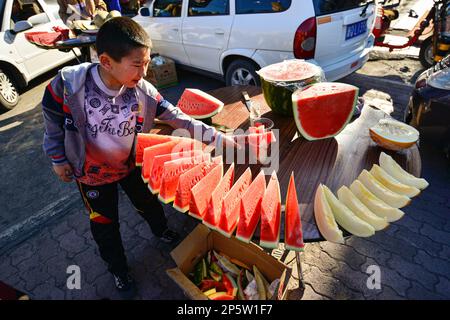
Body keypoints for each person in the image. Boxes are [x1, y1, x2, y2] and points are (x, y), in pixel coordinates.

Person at [41, 16, 235, 297]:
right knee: (104, 226)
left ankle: (161, 230)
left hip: (131, 165)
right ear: (106, 62)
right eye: (137, 64)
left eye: (147, 62)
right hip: (91, 175)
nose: (144, 72)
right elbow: (52, 122)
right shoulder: (68, 85)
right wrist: (57, 159)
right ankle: (118, 270)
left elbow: (180, 118)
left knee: (148, 202)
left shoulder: (143, 92)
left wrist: (221, 140)